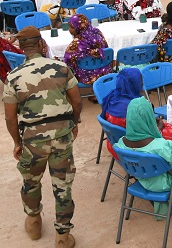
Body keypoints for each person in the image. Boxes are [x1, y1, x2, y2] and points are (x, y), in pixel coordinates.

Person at [3, 26, 82, 247]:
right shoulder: (61, 68)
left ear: (21, 48)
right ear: (41, 44)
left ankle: (34, 223)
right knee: (62, 184)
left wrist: (17, 143)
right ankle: (63, 237)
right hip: (62, 136)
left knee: (31, 182)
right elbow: (77, 102)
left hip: (32, 140)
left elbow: (10, 119)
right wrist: (73, 124)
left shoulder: (13, 77)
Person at [116, 97, 172, 216]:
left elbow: (147, 148)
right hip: (165, 183)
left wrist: (158, 130)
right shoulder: (161, 147)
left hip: (143, 178)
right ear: (149, 118)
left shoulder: (120, 144)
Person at [62, 14, 110, 86]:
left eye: (72, 27)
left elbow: (67, 60)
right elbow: (106, 47)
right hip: (104, 72)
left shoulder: (77, 42)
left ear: (79, 28)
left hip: (86, 77)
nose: (69, 29)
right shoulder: (97, 32)